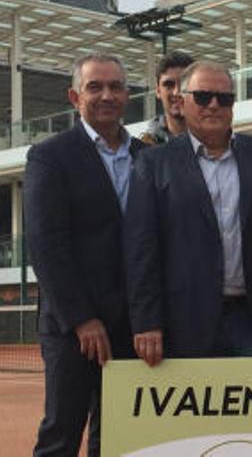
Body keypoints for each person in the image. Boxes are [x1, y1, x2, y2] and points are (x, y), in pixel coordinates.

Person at [126, 61, 252, 366]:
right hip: (185, 322)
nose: (214, 106)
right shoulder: (153, 164)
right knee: (192, 414)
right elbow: (142, 249)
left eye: (224, 98)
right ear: (181, 102)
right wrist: (146, 320)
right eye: (203, 96)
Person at [24, 53, 145, 456]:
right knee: (61, 433)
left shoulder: (148, 157)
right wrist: (81, 318)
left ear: (127, 95)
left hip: (133, 329)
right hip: (74, 330)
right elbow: (46, 244)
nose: (106, 95)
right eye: (95, 86)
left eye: (115, 87)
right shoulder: (50, 156)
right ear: (75, 96)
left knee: (115, 437)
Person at [141, 51, 194, 145]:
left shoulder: (220, 142)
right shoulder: (143, 148)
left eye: (184, 84)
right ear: (158, 90)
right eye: (169, 85)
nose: (177, 92)